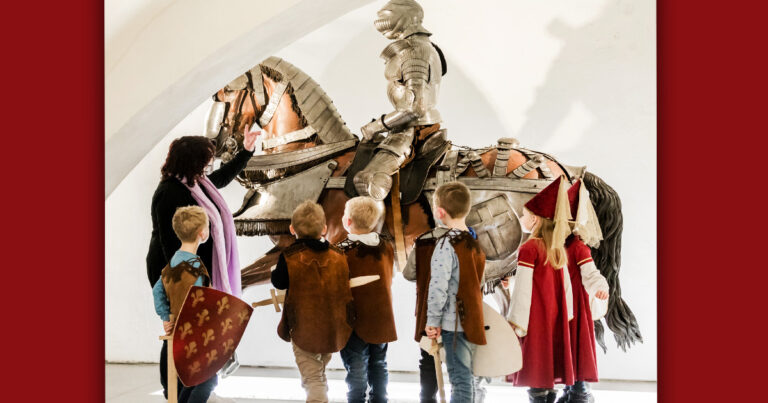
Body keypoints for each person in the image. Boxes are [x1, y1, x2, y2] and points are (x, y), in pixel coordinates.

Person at [146, 128, 258, 399]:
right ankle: (172, 388)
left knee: (193, 332)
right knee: (177, 332)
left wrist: (247, 151)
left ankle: (187, 384)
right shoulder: (170, 192)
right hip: (175, 271)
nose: (209, 166)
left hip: (196, 270)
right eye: (206, 161)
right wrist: (183, 285)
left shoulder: (195, 182)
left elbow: (219, 178)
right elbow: (170, 246)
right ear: (192, 161)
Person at [271, 200, 354, 403]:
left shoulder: (289, 257)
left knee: (313, 378)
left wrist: (274, 272)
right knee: (318, 374)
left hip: (304, 329)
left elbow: (279, 282)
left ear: (292, 229)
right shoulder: (338, 255)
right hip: (334, 329)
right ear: (324, 229)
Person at [507, 176, 576, 403]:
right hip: (554, 320)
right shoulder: (557, 249)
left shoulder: (529, 248)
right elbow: (566, 288)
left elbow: (524, 289)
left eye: (525, 215)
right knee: (549, 372)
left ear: (535, 219)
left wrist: (516, 321)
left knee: (536, 372)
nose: (522, 218)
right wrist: (566, 317)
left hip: (534, 321)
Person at [423, 181, 487, 402]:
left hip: (454, 323)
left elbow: (438, 286)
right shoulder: (474, 241)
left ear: (440, 212)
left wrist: (432, 320)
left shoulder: (445, 244)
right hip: (473, 320)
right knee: (466, 378)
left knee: (459, 381)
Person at [336, 196, 397, 403]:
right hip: (382, 318)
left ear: (348, 222)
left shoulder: (341, 251)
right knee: (379, 364)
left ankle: (356, 400)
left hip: (355, 321)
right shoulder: (387, 247)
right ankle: (380, 400)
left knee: (357, 366)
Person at [152, 206, 216, 403]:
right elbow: (199, 300)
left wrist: (165, 317)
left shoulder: (173, 263)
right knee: (208, 379)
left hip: (176, 330)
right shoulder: (195, 267)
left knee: (190, 380)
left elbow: (157, 290)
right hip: (194, 333)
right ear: (202, 234)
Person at [556, 180, 610, 403]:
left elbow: (590, 272)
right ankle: (570, 389)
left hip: (576, 306)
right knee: (566, 348)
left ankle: (580, 391)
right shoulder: (557, 246)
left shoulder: (578, 247)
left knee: (578, 348)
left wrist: (599, 287)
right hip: (562, 304)